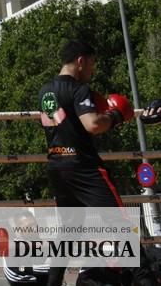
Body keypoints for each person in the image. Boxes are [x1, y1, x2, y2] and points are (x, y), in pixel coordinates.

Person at [39, 40, 134, 286]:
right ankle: (145, 280)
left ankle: (53, 283)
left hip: (57, 166)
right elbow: (92, 124)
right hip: (83, 167)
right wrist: (115, 115)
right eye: (91, 64)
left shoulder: (45, 91)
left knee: (68, 232)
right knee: (120, 224)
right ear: (80, 61)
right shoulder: (80, 89)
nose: (92, 70)